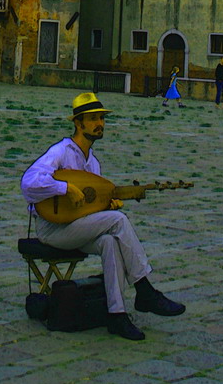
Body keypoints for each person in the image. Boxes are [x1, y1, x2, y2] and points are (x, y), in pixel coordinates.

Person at [20, 92, 186, 342]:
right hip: (52, 230)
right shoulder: (61, 152)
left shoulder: (93, 165)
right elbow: (28, 183)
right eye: (94, 119)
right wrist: (65, 188)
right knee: (118, 220)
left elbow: (88, 209)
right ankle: (144, 289)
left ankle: (116, 315)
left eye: (102, 119)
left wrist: (108, 204)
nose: (100, 124)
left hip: (75, 228)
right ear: (78, 123)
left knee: (110, 240)